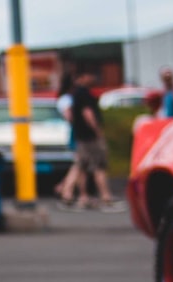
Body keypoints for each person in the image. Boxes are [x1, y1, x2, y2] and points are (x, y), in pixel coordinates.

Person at [66, 68, 124, 212]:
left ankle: (83, 197)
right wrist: (97, 131)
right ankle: (105, 196)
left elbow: (70, 114)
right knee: (99, 166)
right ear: (84, 76)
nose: (93, 78)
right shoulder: (84, 93)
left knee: (83, 167)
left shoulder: (75, 94)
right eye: (91, 75)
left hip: (80, 136)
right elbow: (88, 113)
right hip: (90, 137)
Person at [53, 72, 85, 204]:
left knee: (80, 163)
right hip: (76, 132)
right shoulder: (67, 99)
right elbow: (69, 116)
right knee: (79, 163)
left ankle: (65, 188)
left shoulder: (63, 98)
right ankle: (67, 190)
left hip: (73, 132)